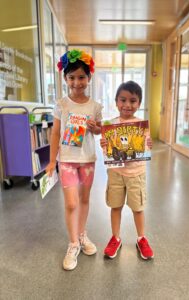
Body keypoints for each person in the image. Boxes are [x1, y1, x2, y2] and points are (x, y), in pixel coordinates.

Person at [46, 49, 102, 271]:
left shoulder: (95, 106)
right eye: (72, 78)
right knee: (71, 203)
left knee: (85, 200)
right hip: (67, 160)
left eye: (81, 77)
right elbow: (55, 134)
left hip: (88, 160)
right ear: (65, 78)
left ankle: (82, 235)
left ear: (89, 77)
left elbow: (100, 131)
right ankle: (72, 244)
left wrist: (95, 127)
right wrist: (52, 161)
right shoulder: (62, 104)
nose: (77, 82)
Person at [100, 81, 154, 260]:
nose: (127, 105)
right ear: (116, 102)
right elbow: (108, 151)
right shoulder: (110, 124)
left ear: (139, 103)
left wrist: (148, 145)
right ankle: (115, 237)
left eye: (133, 101)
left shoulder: (141, 125)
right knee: (115, 206)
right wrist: (104, 145)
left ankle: (141, 238)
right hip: (116, 173)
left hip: (136, 173)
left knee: (138, 208)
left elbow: (146, 148)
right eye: (123, 100)